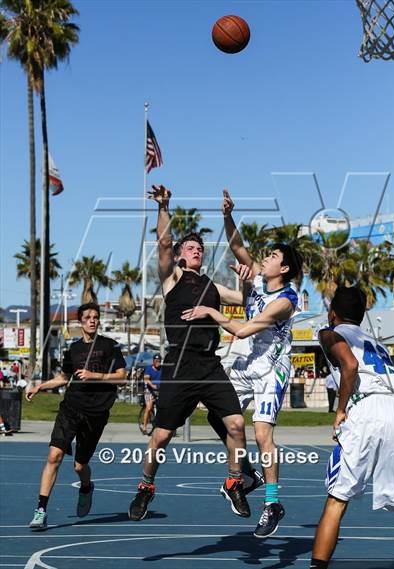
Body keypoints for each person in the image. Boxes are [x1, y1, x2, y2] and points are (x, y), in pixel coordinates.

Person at [181, 188, 303, 538]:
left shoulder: (284, 300)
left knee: (263, 432)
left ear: (285, 267)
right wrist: (227, 215)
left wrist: (212, 311)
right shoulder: (259, 281)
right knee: (218, 412)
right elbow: (237, 246)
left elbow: (245, 329)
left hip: (271, 370)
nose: (265, 258)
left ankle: (272, 503)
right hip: (248, 365)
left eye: (273, 256)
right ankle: (246, 472)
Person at [128, 185, 251, 523]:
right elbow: (164, 243)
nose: (197, 250)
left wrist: (243, 281)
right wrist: (164, 206)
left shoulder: (212, 286)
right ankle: (146, 486)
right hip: (179, 364)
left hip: (210, 365)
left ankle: (233, 481)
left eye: (200, 248)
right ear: (181, 255)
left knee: (237, 424)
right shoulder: (173, 278)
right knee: (162, 435)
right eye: (191, 247)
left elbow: (245, 302)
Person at [310, 287, 394, 569]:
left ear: (332, 313)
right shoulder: (376, 341)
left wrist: (341, 409)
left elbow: (350, 364)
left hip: (367, 409)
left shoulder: (329, 333)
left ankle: (317, 566)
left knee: (337, 498)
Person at [26, 303, 127, 530]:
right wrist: (40, 386)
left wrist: (95, 375)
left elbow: (122, 377)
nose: (92, 320)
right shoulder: (73, 350)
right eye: (87, 317)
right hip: (71, 408)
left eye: (95, 317)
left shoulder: (110, 347)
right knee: (54, 455)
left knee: (80, 466)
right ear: (80, 322)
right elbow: (63, 377)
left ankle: (86, 487)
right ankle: (40, 510)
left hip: (96, 414)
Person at [140, 354, 162, 434]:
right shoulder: (149, 368)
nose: (157, 362)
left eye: (159, 361)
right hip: (149, 390)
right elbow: (146, 379)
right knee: (149, 407)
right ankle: (144, 427)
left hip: (159, 390)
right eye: (156, 361)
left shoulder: (162, 369)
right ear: (153, 361)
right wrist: (152, 385)